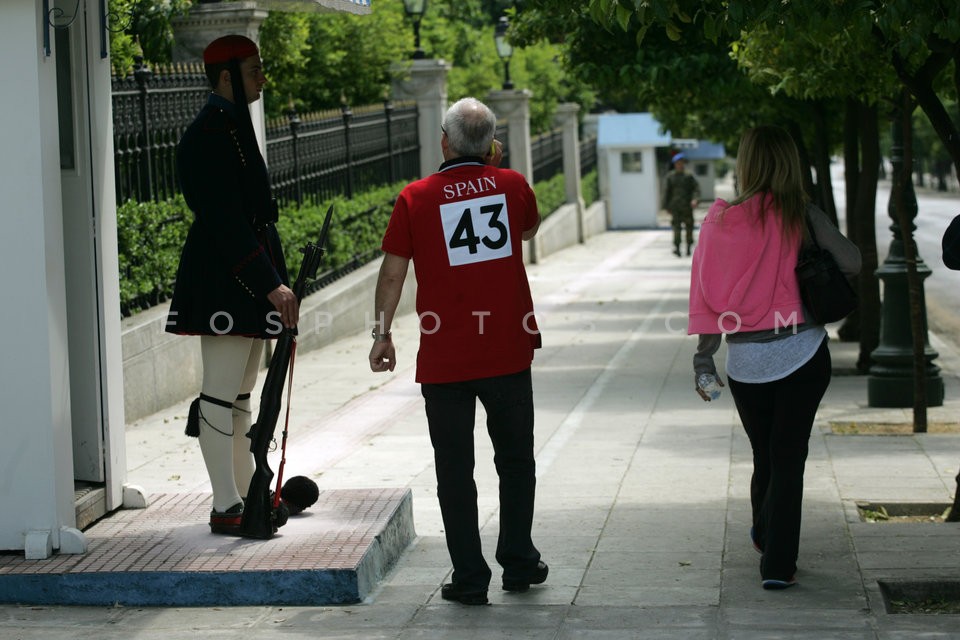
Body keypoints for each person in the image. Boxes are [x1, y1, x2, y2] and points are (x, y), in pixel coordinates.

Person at [368, 97, 547, 605]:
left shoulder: (416, 198)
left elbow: (393, 272)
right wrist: (493, 168)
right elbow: (528, 228)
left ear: (444, 142)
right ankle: (519, 562)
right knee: (515, 462)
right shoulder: (512, 185)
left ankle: (469, 578)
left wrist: (381, 333)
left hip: (445, 357)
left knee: (454, 469)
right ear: (491, 144)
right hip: (508, 350)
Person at [687, 126, 861, 590]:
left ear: (745, 163)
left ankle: (767, 536)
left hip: (746, 363)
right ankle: (777, 563)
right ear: (790, 162)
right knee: (789, 457)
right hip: (803, 352)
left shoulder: (719, 222)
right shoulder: (801, 216)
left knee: (765, 455)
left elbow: (704, 296)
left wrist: (704, 361)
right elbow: (852, 262)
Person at [165, 35, 299, 535]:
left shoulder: (234, 125)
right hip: (224, 274)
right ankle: (226, 504)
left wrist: (274, 279)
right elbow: (224, 220)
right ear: (226, 76)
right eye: (253, 70)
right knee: (220, 395)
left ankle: (248, 494)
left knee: (242, 395)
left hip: (244, 272)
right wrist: (271, 284)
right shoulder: (209, 132)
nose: (262, 77)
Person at [661, 152, 701, 257]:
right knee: (676, 228)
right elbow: (666, 192)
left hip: (687, 206)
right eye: (678, 163)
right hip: (675, 207)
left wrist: (695, 200)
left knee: (689, 228)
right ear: (675, 164)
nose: (680, 164)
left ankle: (688, 247)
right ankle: (677, 248)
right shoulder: (670, 176)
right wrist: (666, 206)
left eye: (681, 162)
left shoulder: (689, 176)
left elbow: (696, 189)